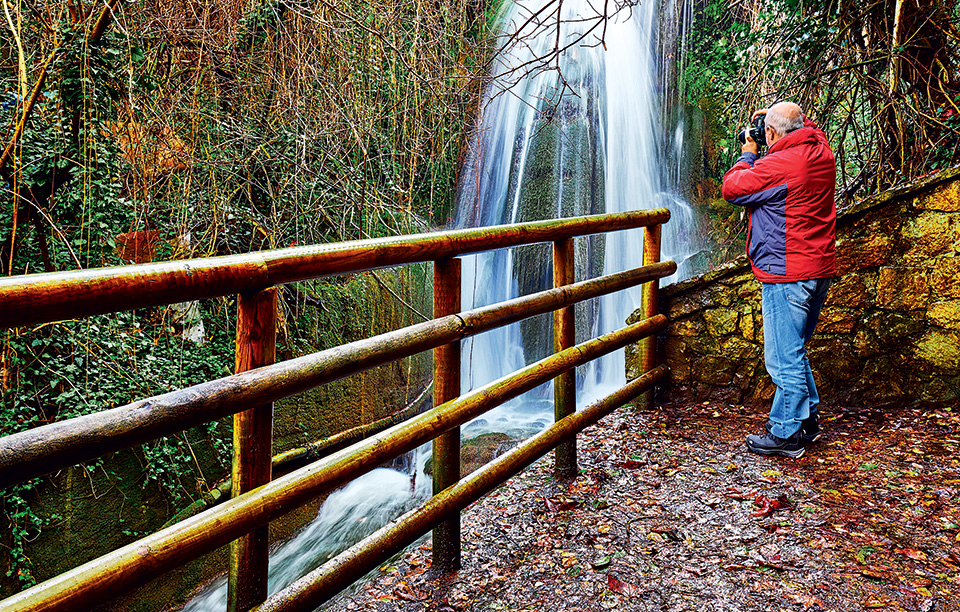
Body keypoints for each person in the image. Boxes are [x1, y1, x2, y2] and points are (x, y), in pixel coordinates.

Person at [721, 101, 837, 459]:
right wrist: (769, 122)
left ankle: (786, 433)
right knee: (796, 351)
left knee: (782, 359)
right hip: (818, 269)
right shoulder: (820, 150)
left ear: (771, 134)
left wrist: (747, 153)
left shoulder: (780, 165)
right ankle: (809, 422)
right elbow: (802, 126)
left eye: (765, 131)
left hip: (787, 272)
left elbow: (733, 187)